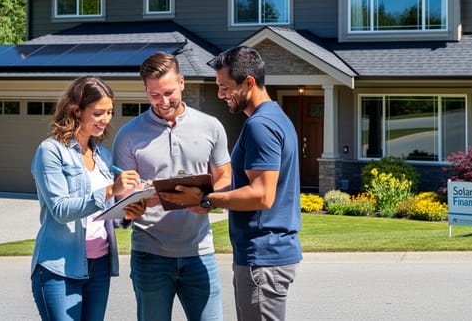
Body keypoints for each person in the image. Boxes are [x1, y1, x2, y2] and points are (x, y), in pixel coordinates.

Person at [172, 45, 302, 321]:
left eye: (225, 87)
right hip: (266, 256)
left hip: (262, 258)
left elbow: (262, 195)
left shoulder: (260, 126)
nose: (220, 94)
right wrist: (207, 192)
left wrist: (207, 199)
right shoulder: (276, 118)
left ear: (249, 83)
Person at [112, 52, 232, 321]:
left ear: (181, 82)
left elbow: (225, 175)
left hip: (200, 252)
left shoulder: (211, 126)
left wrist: (207, 199)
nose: (163, 102)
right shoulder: (128, 135)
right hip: (149, 254)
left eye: (168, 92)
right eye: (154, 95)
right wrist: (136, 199)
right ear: (145, 90)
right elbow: (122, 197)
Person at [30, 75, 145, 321]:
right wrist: (110, 190)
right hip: (59, 267)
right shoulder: (51, 151)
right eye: (98, 113)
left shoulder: (103, 155)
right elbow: (61, 210)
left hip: (99, 266)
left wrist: (127, 212)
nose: (106, 119)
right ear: (76, 111)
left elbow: (104, 214)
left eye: (110, 112)